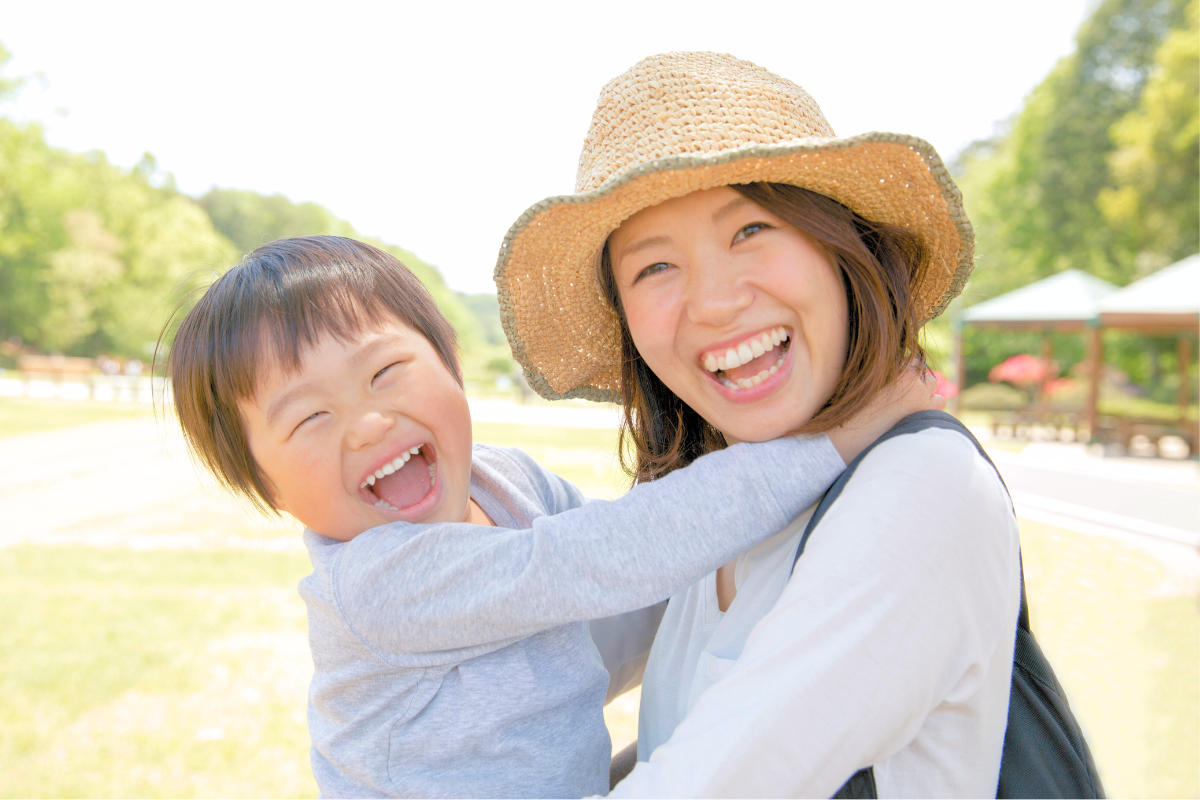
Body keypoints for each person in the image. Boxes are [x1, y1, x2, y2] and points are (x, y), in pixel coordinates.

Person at [164, 235, 933, 798]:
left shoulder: (508, 485)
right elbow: (595, 560)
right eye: (309, 419)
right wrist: (830, 442)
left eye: (386, 372)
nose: (367, 424)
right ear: (267, 489)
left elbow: (632, 601)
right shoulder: (376, 582)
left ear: (451, 364)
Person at [493, 52, 1022, 797]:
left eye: (749, 230)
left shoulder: (924, 486)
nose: (713, 302)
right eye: (654, 268)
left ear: (842, 248)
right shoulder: (718, 515)